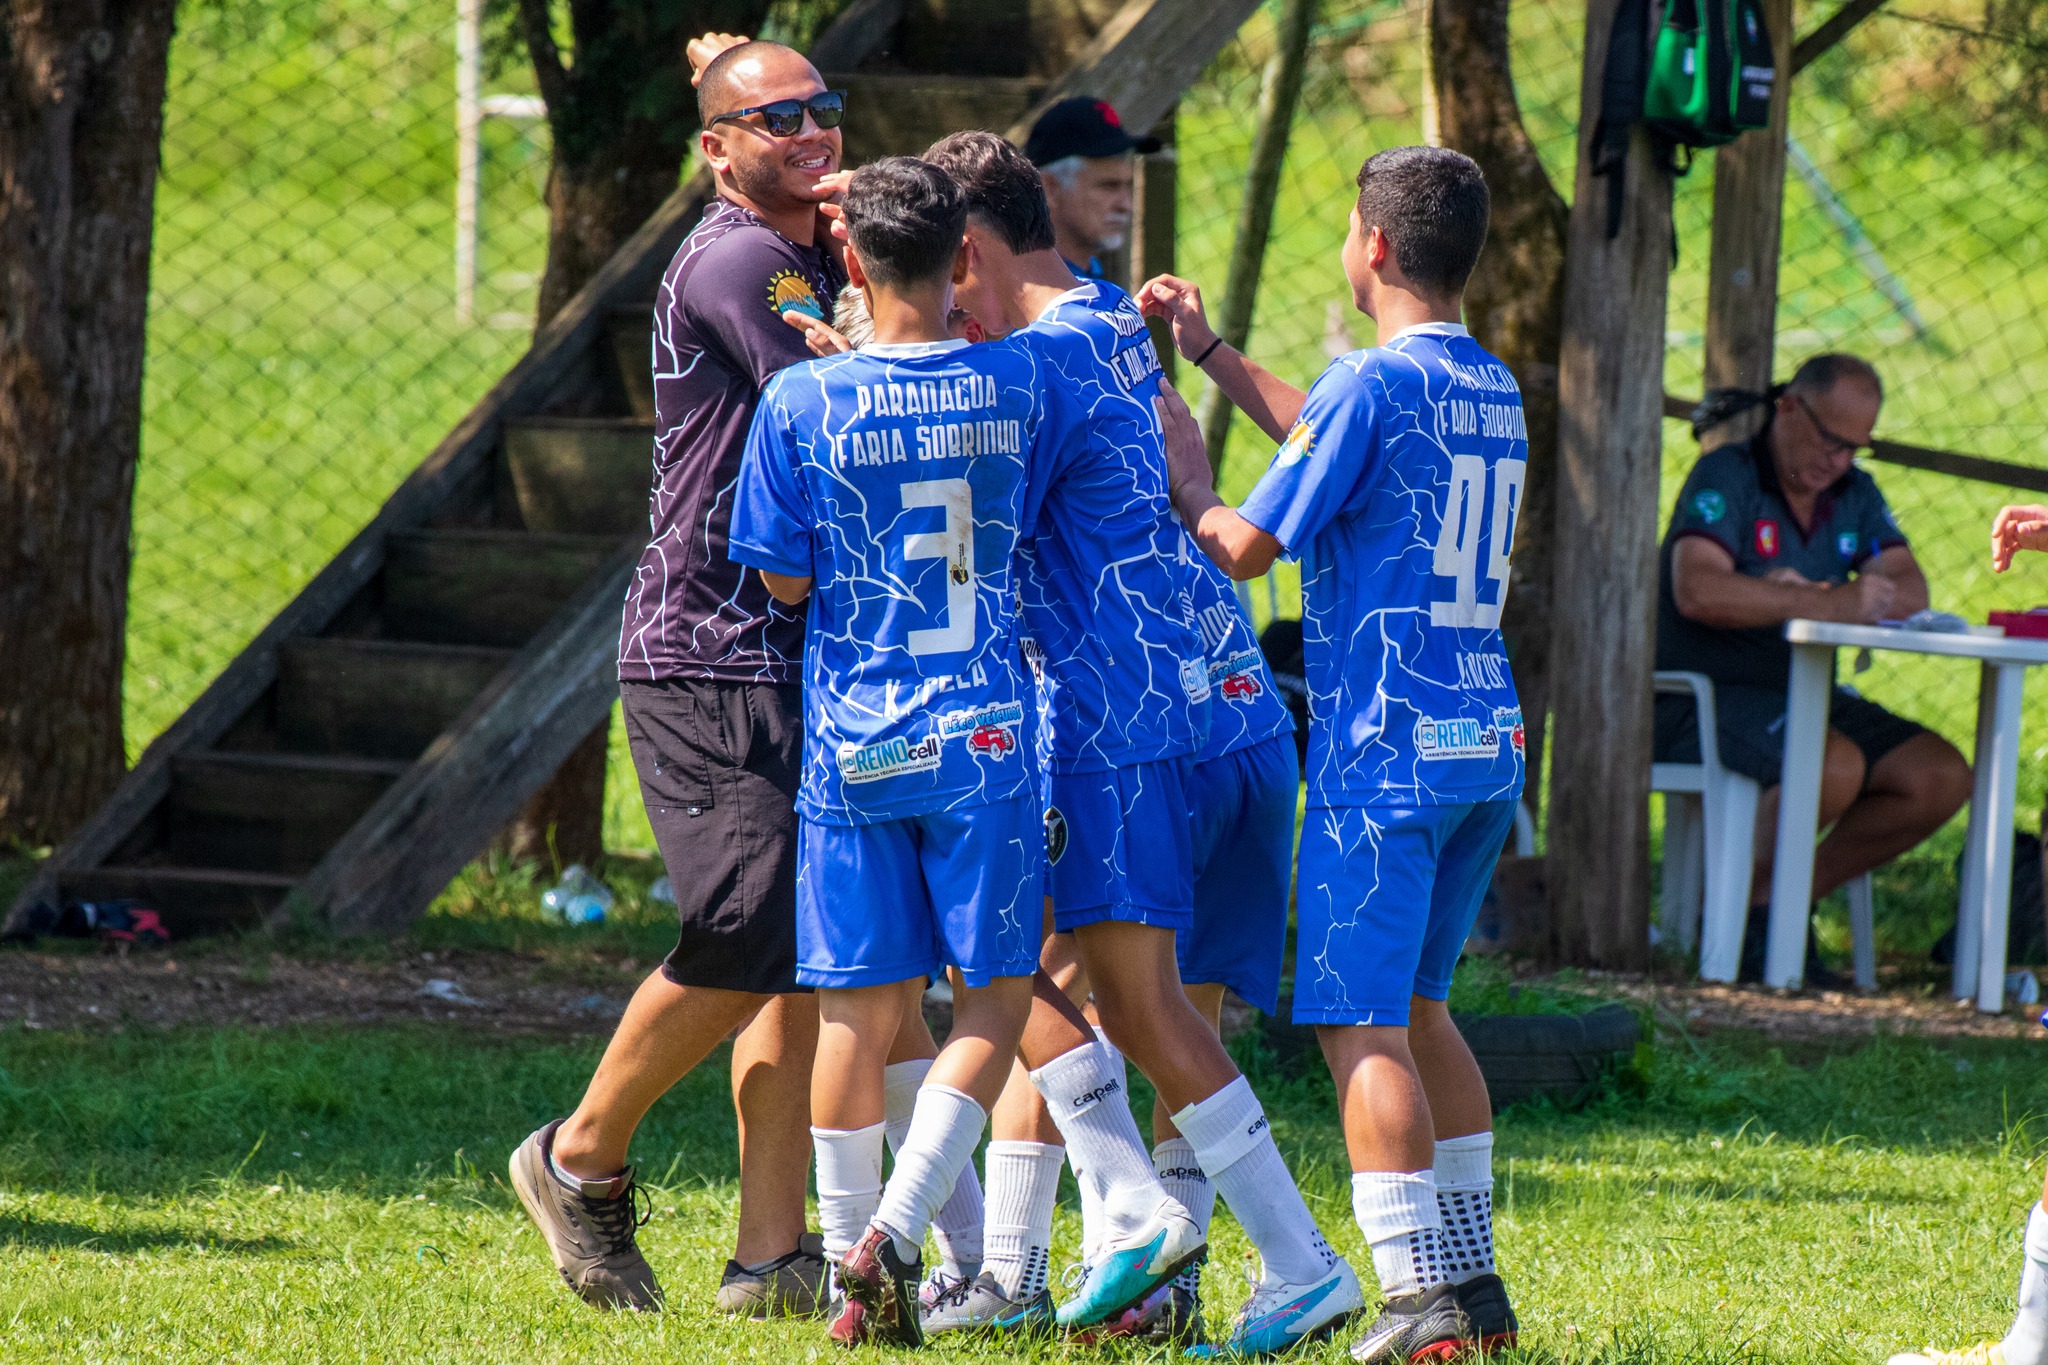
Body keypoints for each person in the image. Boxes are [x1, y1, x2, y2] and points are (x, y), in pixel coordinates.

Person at [917, 130, 1362, 1356]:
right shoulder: (1113, 318)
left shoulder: (1023, 374)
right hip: (1233, 708)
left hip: (1117, 729)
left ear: (970, 251)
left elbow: (958, 516)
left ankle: (1272, 1257)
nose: (932, 303)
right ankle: (1095, 1274)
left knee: (1044, 975)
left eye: (931, 272)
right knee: (1156, 1000)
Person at [1147, 144, 1530, 1362]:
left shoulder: (1369, 387)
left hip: (1386, 753)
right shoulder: (1486, 384)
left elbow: (1251, 545)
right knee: (1422, 1011)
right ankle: (1470, 1287)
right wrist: (1211, 351)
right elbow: (1326, 434)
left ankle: (1411, 1295)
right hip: (1481, 735)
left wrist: (1189, 486)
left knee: (1358, 1026)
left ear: (1369, 245)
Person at [509, 38, 873, 1318]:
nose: (814, 132)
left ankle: (773, 1258)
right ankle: (578, 1157)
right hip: (707, 649)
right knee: (745, 929)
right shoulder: (740, 261)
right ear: (715, 150)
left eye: (824, 109)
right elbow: (853, 398)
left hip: (798, 647)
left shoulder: (813, 247)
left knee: (802, 952)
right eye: (777, 119)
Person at [729, 157, 1075, 1348]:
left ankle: (846, 1269)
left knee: (854, 1021)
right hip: (981, 736)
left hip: (852, 742)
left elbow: (779, 576)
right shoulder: (1018, 383)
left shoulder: (796, 404)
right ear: (963, 260)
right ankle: (901, 1226)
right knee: (994, 992)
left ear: (855, 268)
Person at [1655, 356, 1972, 985]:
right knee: (1833, 764)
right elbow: (1698, 590)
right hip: (1710, 695)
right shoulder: (1729, 475)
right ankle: (1750, 928)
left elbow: (1911, 589)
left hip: (1809, 690)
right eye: (1831, 440)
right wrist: (1831, 599)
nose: (1840, 461)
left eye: (1856, 447)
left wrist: (1834, 592)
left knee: (1938, 776)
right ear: (1790, 408)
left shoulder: (1854, 493)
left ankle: (1769, 903)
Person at [1022, 95, 1157, 282]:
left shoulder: (1088, 273)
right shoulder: (1018, 290)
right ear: (1050, 189)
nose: (1126, 205)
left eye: (1128, 185)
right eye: (1108, 186)